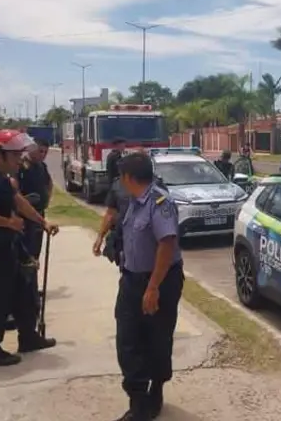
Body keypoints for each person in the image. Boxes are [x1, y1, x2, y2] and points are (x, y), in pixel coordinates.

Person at [0, 130, 59, 367]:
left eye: (20, 154)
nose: (19, 160)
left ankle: (28, 337)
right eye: (14, 155)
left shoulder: (5, 181)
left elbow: (21, 204)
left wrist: (42, 222)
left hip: (9, 248)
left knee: (24, 294)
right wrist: (8, 223)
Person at [113, 153, 184, 421]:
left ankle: (155, 393)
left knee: (157, 340)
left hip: (159, 281)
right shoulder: (132, 202)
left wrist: (153, 287)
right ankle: (138, 401)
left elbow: (167, 244)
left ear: (129, 177)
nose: (120, 181)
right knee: (127, 340)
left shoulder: (160, 202)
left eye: (121, 176)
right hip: (131, 280)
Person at [17, 138, 53, 311]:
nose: (43, 155)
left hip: (38, 215)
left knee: (35, 254)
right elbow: (15, 193)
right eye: (40, 151)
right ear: (31, 149)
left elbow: (49, 183)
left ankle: (32, 288)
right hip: (25, 217)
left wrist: (47, 200)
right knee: (26, 254)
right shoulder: (22, 167)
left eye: (45, 152)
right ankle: (25, 291)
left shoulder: (41, 167)